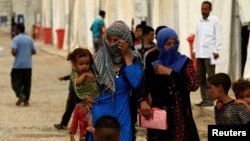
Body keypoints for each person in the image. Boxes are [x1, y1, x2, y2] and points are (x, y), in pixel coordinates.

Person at [139, 27, 200, 141]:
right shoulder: (154, 67)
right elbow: (143, 87)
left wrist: (169, 72)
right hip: (161, 118)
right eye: (168, 44)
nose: (172, 47)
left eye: (175, 43)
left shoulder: (185, 63)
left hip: (181, 115)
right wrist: (142, 101)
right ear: (161, 46)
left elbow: (193, 85)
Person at [88, 21, 143, 141]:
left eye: (117, 40)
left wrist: (126, 55)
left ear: (125, 40)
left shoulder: (134, 58)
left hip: (122, 113)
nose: (112, 44)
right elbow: (83, 84)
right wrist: (85, 97)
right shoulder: (96, 60)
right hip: (100, 112)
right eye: (110, 40)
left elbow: (136, 82)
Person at [67, 47, 101, 140]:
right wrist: (72, 134)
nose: (85, 66)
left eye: (87, 63)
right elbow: (76, 82)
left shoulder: (91, 71)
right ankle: (89, 129)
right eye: (81, 64)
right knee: (89, 115)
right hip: (84, 103)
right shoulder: (75, 73)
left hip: (95, 100)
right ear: (74, 64)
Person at [194, 1, 222, 106]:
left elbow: (218, 35)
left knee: (211, 78)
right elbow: (197, 36)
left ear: (210, 9)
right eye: (202, 9)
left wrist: (216, 50)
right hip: (200, 53)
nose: (203, 11)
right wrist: (194, 50)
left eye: (205, 9)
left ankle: (211, 99)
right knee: (200, 77)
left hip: (210, 53)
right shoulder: (199, 22)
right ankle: (205, 99)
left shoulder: (215, 21)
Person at [11, 23, 36, 106]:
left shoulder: (16, 39)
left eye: (15, 29)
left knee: (15, 82)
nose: (15, 30)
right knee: (27, 84)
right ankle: (26, 100)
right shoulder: (30, 39)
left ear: (18, 29)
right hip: (28, 65)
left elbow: (14, 51)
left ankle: (20, 94)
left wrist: (14, 53)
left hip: (17, 65)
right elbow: (34, 51)